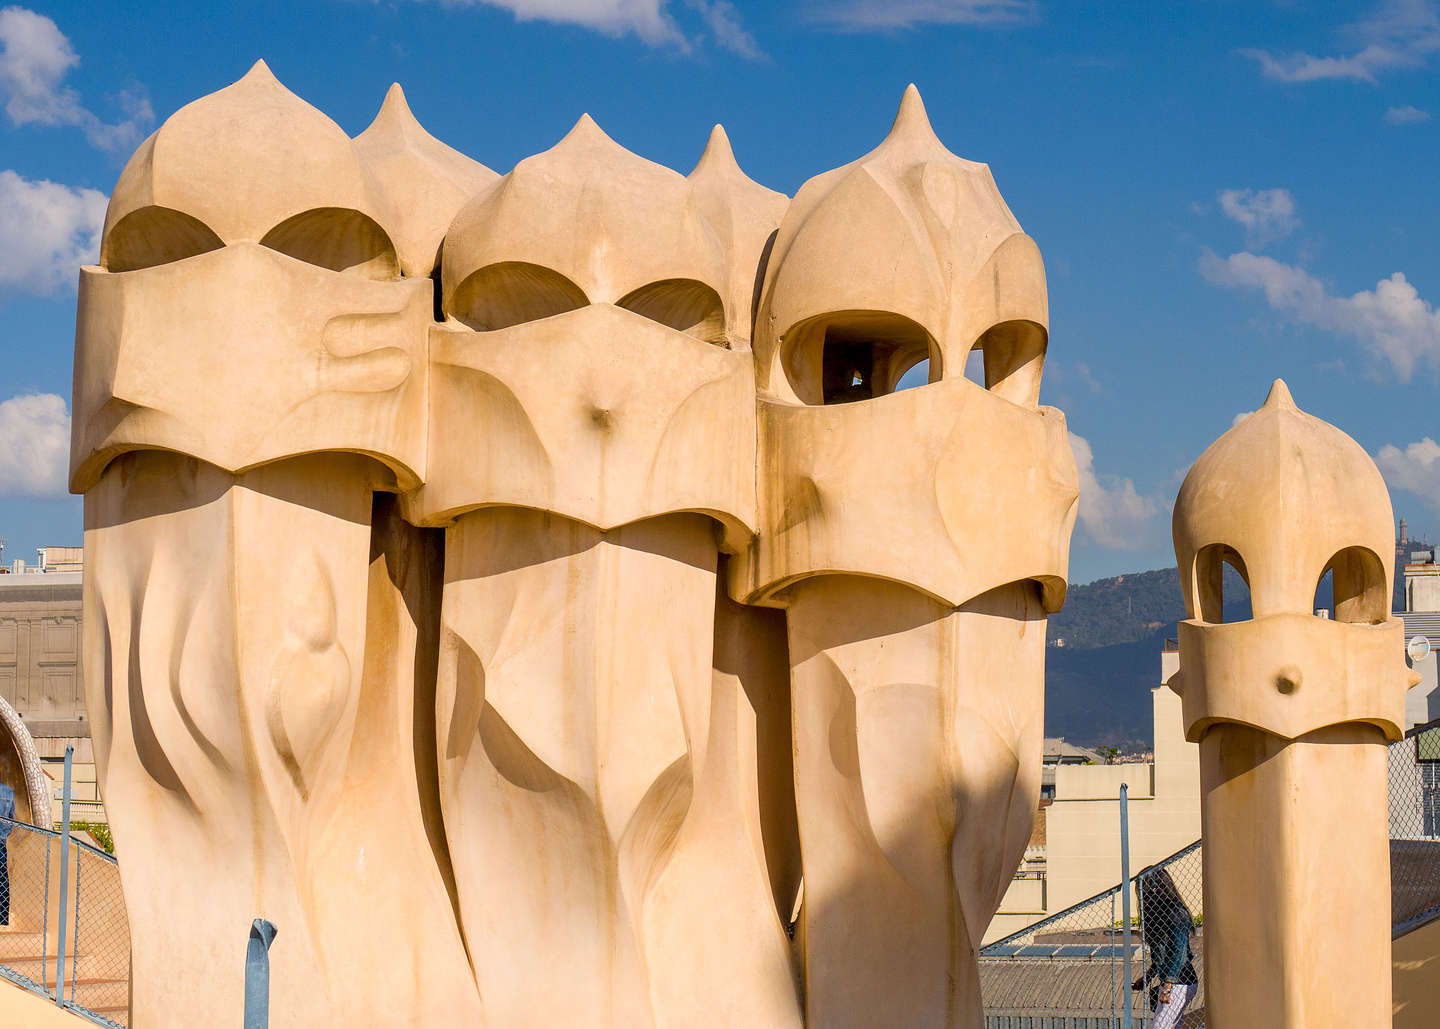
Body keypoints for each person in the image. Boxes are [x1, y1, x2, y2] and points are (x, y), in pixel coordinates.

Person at [1131, 866, 1199, 1029]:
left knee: (1160, 1026)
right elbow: (1161, 955)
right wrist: (1148, 976)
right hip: (1172, 982)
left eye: (1144, 890)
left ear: (1155, 888)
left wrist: (1168, 985)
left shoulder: (1177, 914)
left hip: (1181, 981)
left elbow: (1179, 952)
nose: (1142, 896)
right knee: (1171, 1026)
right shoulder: (1157, 915)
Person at [0, 782, 13, 926]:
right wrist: (4, 833)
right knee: (3, 880)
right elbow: (11, 818)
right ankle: (3, 918)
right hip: (1, 841)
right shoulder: (8, 792)